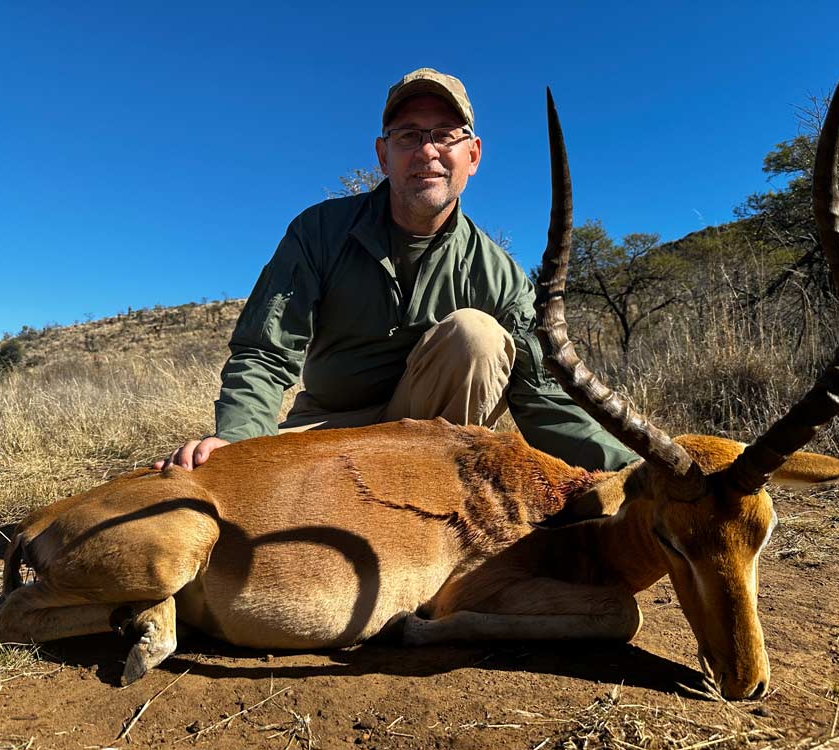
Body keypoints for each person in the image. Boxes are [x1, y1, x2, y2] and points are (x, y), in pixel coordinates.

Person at [158, 68, 637, 472]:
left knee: (478, 336)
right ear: (383, 155)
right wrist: (238, 443)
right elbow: (265, 354)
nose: (427, 151)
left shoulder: (501, 276)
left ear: (473, 155)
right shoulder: (320, 231)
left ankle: (432, 512)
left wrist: (634, 472)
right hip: (328, 427)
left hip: (428, 443)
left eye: (446, 135)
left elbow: (545, 401)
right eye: (408, 136)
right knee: (228, 482)